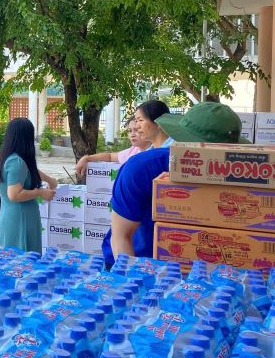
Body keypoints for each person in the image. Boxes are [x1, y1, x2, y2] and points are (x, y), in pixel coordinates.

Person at [102, 102, 247, 268]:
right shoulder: (141, 169)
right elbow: (120, 237)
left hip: (197, 269)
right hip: (136, 264)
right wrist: (134, 284)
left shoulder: (237, 174)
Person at [0, 118, 58, 253]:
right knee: (22, 261)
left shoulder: (9, 157)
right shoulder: (16, 162)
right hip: (20, 220)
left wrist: (50, 180)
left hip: (10, 216)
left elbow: (30, 170)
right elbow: (14, 194)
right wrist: (40, 192)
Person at [74, 116, 150, 177]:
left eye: (136, 130)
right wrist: (86, 158)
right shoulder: (133, 151)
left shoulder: (155, 151)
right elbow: (109, 156)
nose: (132, 134)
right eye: (130, 131)